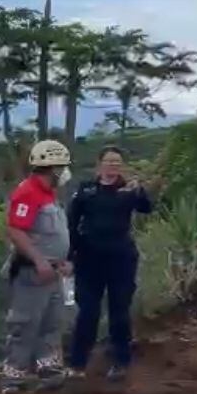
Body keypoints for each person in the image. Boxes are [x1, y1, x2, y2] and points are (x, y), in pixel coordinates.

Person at [66, 146, 153, 381]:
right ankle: (77, 363)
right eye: (109, 161)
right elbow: (71, 223)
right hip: (89, 259)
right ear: (100, 164)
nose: (113, 166)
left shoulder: (128, 190)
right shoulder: (86, 190)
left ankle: (120, 361)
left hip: (121, 259)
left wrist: (141, 191)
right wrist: (69, 257)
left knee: (119, 312)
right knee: (88, 312)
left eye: (117, 162)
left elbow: (147, 208)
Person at [0, 140, 75, 394]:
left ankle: (49, 370)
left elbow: (51, 234)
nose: (64, 172)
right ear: (51, 167)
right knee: (24, 323)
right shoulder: (28, 192)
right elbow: (15, 229)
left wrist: (61, 262)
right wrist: (39, 260)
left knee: (52, 323)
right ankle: (14, 378)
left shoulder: (48, 194)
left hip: (53, 272)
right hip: (31, 273)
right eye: (62, 167)